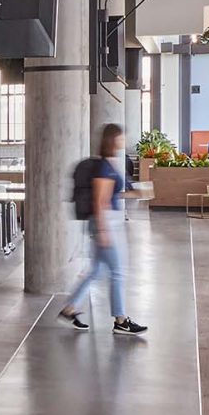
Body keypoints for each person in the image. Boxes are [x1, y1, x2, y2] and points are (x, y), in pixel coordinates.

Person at [58, 123, 148, 336]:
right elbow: (100, 201)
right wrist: (103, 231)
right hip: (106, 222)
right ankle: (121, 319)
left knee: (97, 270)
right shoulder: (104, 168)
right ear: (112, 140)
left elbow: (114, 194)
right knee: (117, 272)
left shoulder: (113, 163)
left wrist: (136, 193)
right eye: (120, 137)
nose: (124, 140)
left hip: (111, 220)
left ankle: (70, 309)